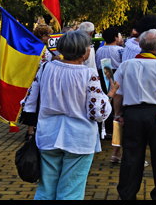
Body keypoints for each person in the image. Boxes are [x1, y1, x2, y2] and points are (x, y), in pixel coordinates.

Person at [23, 30, 111, 200]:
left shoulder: (45, 67)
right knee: (71, 191)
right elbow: (97, 113)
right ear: (84, 51)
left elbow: (29, 101)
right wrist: (109, 97)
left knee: (46, 189)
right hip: (79, 137)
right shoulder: (89, 74)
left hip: (48, 133)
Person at [114, 29, 156, 200]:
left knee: (131, 156)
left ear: (140, 45)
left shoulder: (125, 65)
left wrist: (118, 114)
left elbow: (118, 93)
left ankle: (126, 194)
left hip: (132, 114)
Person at [95, 26, 123, 164]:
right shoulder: (119, 50)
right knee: (116, 107)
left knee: (105, 100)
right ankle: (112, 131)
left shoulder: (100, 49)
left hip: (103, 75)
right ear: (116, 38)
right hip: (116, 77)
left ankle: (103, 128)